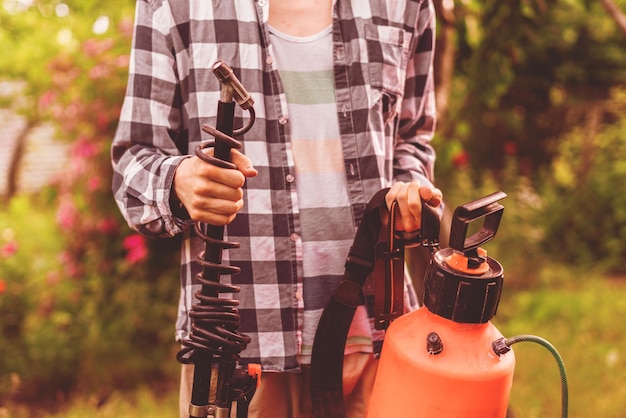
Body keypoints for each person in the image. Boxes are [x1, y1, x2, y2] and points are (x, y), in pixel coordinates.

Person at [111, 0, 441, 416]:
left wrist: (411, 191)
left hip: (378, 343)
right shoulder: (173, 6)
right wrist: (179, 182)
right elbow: (133, 161)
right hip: (237, 353)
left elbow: (412, 138)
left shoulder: (407, 5)